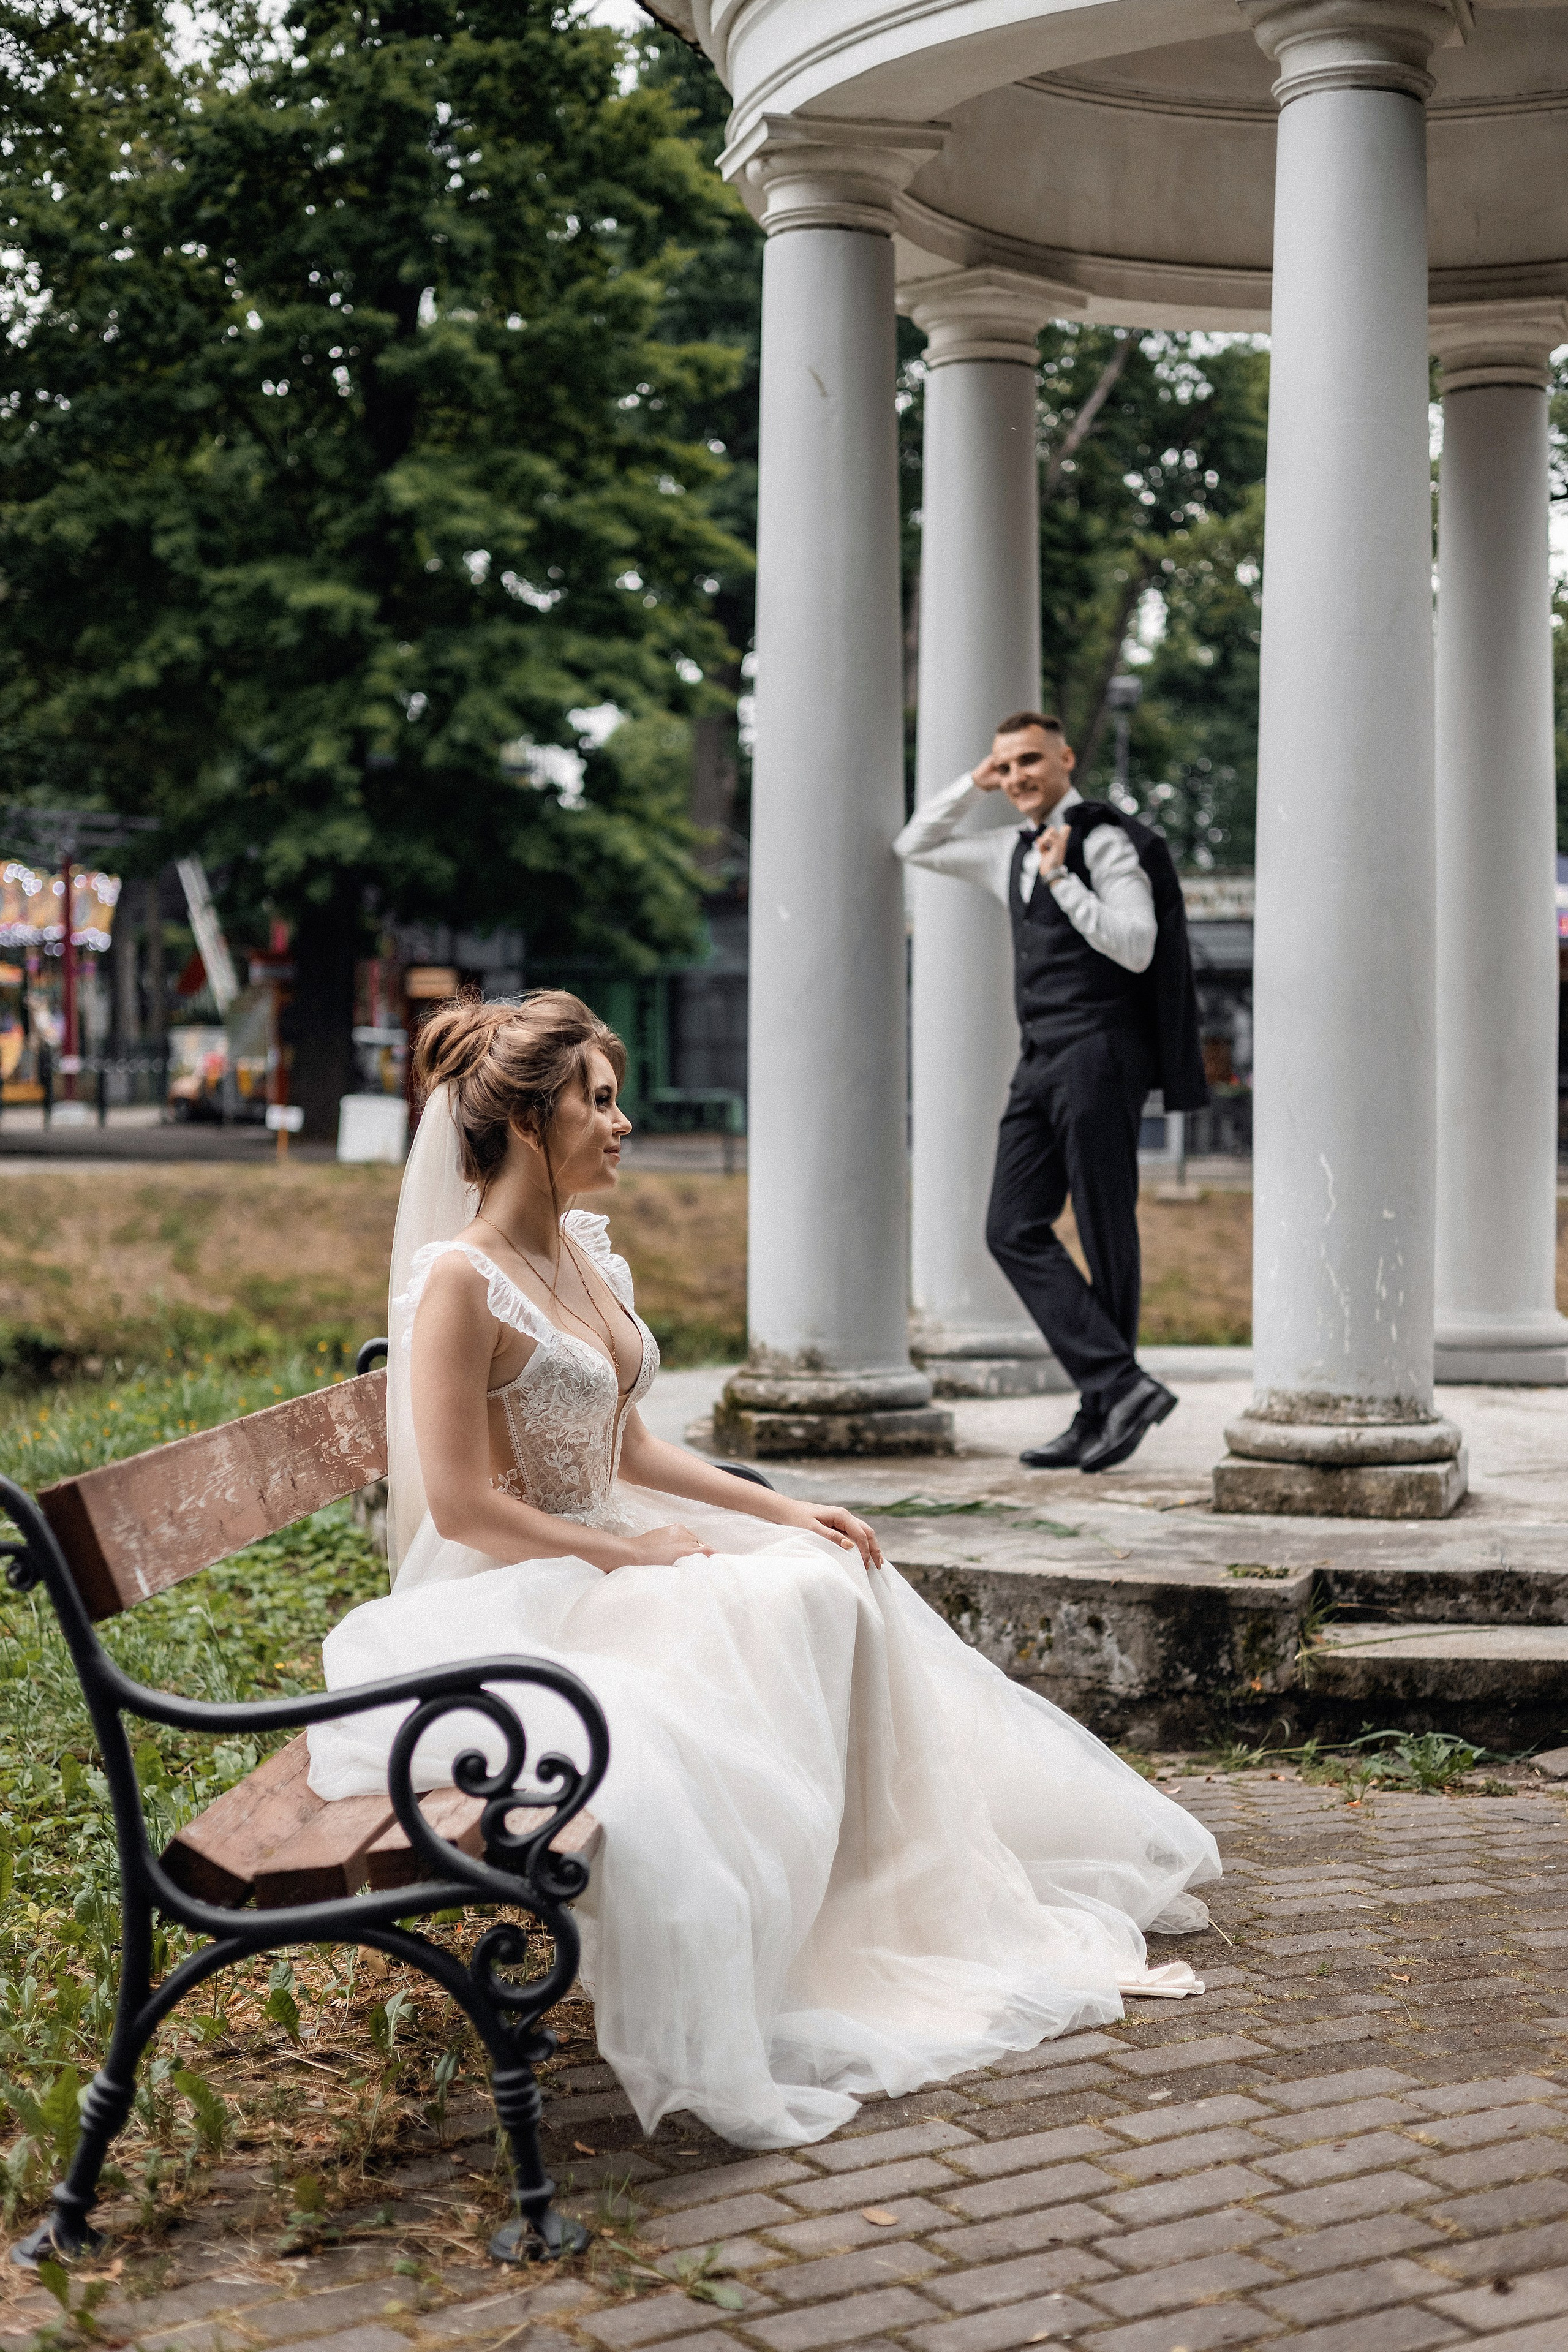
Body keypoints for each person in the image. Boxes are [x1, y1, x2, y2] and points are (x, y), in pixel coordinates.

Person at [307, 990, 1218, 2150]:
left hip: (610, 1550)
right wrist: (620, 1550)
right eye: (598, 1099)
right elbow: (464, 1505)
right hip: (523, 1586)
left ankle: (888, 1909)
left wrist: (786, 1504)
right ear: (531, 1121)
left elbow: (632, 1447)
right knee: (763, 1614)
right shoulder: (460, 1281)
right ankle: (804, 1946)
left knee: (820, 1570)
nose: (622, 1121)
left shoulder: (584, 1258)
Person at [895, 712, 1209, 1472]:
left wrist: (1063, 877)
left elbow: (1137, 948)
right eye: (1005, 767)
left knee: (1106, 1231)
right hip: (1039, 1059)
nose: (1019, 777)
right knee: (1010, 1226)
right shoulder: (1005, 849)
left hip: (1102, 1054)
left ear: (1067, 758)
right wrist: (971, 783)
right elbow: (917, 845)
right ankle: (1118, 1385)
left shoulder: (1104, 841)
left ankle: (1102, 1402)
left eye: (1030, 760)